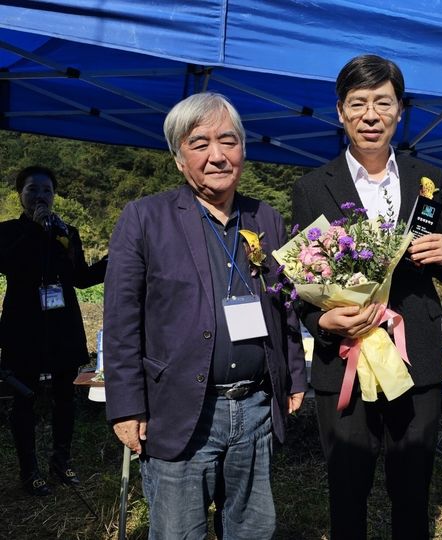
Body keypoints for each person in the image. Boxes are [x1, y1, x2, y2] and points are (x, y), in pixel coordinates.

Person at [103, 92, 307, 539]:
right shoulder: (145, 218)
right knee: (178, 532)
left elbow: (285, 304)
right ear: (179, 159)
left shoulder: (266, 217)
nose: (217, 156)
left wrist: (294, 373)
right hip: (178, 408)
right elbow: (121, 323)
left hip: (254, 407)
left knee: (251, 530)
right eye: (199, 144)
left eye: (228, 141)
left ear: (243, 151)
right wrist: (126, 406)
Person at [292, 54, 442, 540]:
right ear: (340, 112)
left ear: (399, 111)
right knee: (347, 491)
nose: (371, 115)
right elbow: (303, 277)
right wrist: (321, 323)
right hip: (345, 356)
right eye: (358, 103)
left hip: (415, 358)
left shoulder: (427, 177)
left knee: (412, 492)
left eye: (382, 103)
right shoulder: (310, 187)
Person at [0, 165, 107, 496]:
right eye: (33, 189)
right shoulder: (8, 232)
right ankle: (29, 470)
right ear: (20, 194)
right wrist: (35, 229)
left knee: (65, 397)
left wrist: (116, 257)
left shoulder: (66, 232)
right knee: (25, 398)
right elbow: (6, 263)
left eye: (47, 190)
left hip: (63, 326)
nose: (40, 196)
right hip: (23, 327)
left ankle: (61, 460)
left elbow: (81, 278)